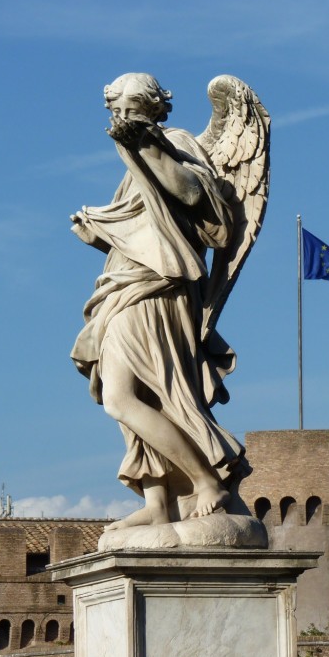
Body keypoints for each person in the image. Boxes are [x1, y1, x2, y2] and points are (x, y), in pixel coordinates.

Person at [69, 73, 247, 529]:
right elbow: (145, 231)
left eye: (129, 110)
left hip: (159, 288)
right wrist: (99, 234)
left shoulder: (175, 141)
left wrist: (147, 147)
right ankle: (159, 501)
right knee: (141, 395)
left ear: (151, 108)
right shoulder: (131, 160)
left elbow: (197, 200)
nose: (120, 119)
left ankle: (206, 480)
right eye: (114, 112)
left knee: (124, 396)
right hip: (124, 283)